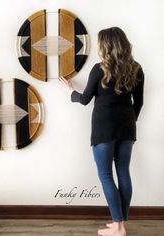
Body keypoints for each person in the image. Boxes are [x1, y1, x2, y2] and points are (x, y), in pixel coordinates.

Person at [58, 26, 144, 236]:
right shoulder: (137, 68)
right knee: (123, 172)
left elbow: (85, 99)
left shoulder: (99, 69)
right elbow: (139, 103)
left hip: (104, 128)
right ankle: (119, 223)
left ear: (105, 45)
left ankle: (118, 226)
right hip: (127, 127)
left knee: (106, 175)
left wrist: (69, 90)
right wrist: (129, 122)